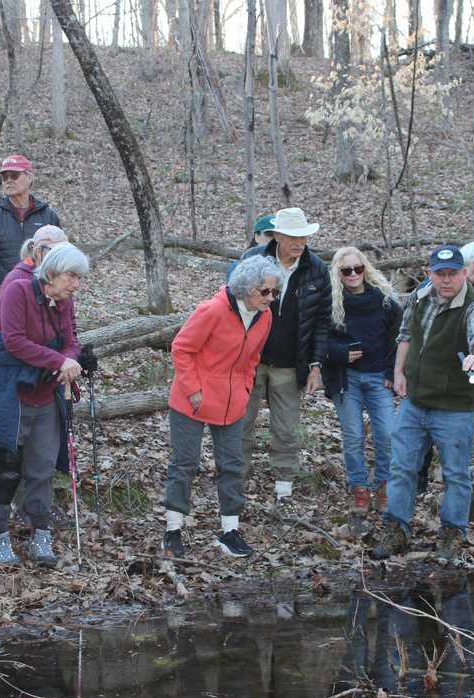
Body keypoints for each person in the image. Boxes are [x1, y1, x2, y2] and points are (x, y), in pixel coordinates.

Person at [372, 245, 474, 561]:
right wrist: (398, 371)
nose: (447, 280)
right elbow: (405, 337)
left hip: (455, 407)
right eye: (440, 273)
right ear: (430, 274)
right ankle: (396, 530)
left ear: (464, 273)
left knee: (455, 474)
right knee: (401, 468)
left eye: (453, 273)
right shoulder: (419, 298)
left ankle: (452, 535)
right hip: (415, 402)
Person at [162, 255, 282, 559]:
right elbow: (181, 348)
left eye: (274, 292)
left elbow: (252, 357)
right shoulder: (212, 310)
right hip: (192, 400)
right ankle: (173, 529)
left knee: (232, 465)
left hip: (232, 402)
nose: (271, 298)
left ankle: (230, 531)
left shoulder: (264, 316)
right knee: (185, 463)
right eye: (265, 291)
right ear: (246, 288)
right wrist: (193, 390)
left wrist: (244, 388)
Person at [0, 244, 88, 566]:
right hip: (12, 396)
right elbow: (14, 341)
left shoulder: (64, 303)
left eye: (78, 278)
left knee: (41, 469)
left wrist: (70, 359)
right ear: (52, 272)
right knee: (6, 468)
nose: (75, 284)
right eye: (71, 276)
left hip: (46, 396)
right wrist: (59, 359)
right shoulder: (17, 291)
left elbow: (71, 340)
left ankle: (41, 535)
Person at [238, 207, 331, 505]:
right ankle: (236, 480)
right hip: (250, 358)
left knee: (286, 426)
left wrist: (316, 366)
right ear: (277, 235)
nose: (299, 243)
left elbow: (322, 322)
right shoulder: (253, 259)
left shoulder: (317, 268)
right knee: (241, 421)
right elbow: (233, 305)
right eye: (292, 236)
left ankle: (284, 487)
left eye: (303, 237)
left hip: (292, 361)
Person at [320, 247, 402, 516]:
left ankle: (385, 485)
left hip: (380, 377)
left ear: (365, 269)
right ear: (338, 274)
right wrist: (340, 353)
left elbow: (399, 338)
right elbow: (319, 341)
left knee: (387, 435)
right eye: (346, 270)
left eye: (357, 268)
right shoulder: (331, 303)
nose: (353, 274)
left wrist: (394, 372)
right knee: (353, 436)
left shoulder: (385, 300)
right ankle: (359, 488)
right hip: (347, 378)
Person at [412, 239, 474, 494]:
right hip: (424, 385)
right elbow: (408, 333)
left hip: (460, 384)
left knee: (455, 459)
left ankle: (453, 518)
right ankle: (419, 483)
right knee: (416, 448)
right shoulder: (426, 293)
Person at [0, 154, 63, 301]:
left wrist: (52, 290)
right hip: (7, 301)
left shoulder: (48, 216)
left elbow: (61, 259)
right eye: (4, 177)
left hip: (44, 300)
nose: (8, 181)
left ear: (30, 177)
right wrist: (0, 291)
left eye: (14, 175)